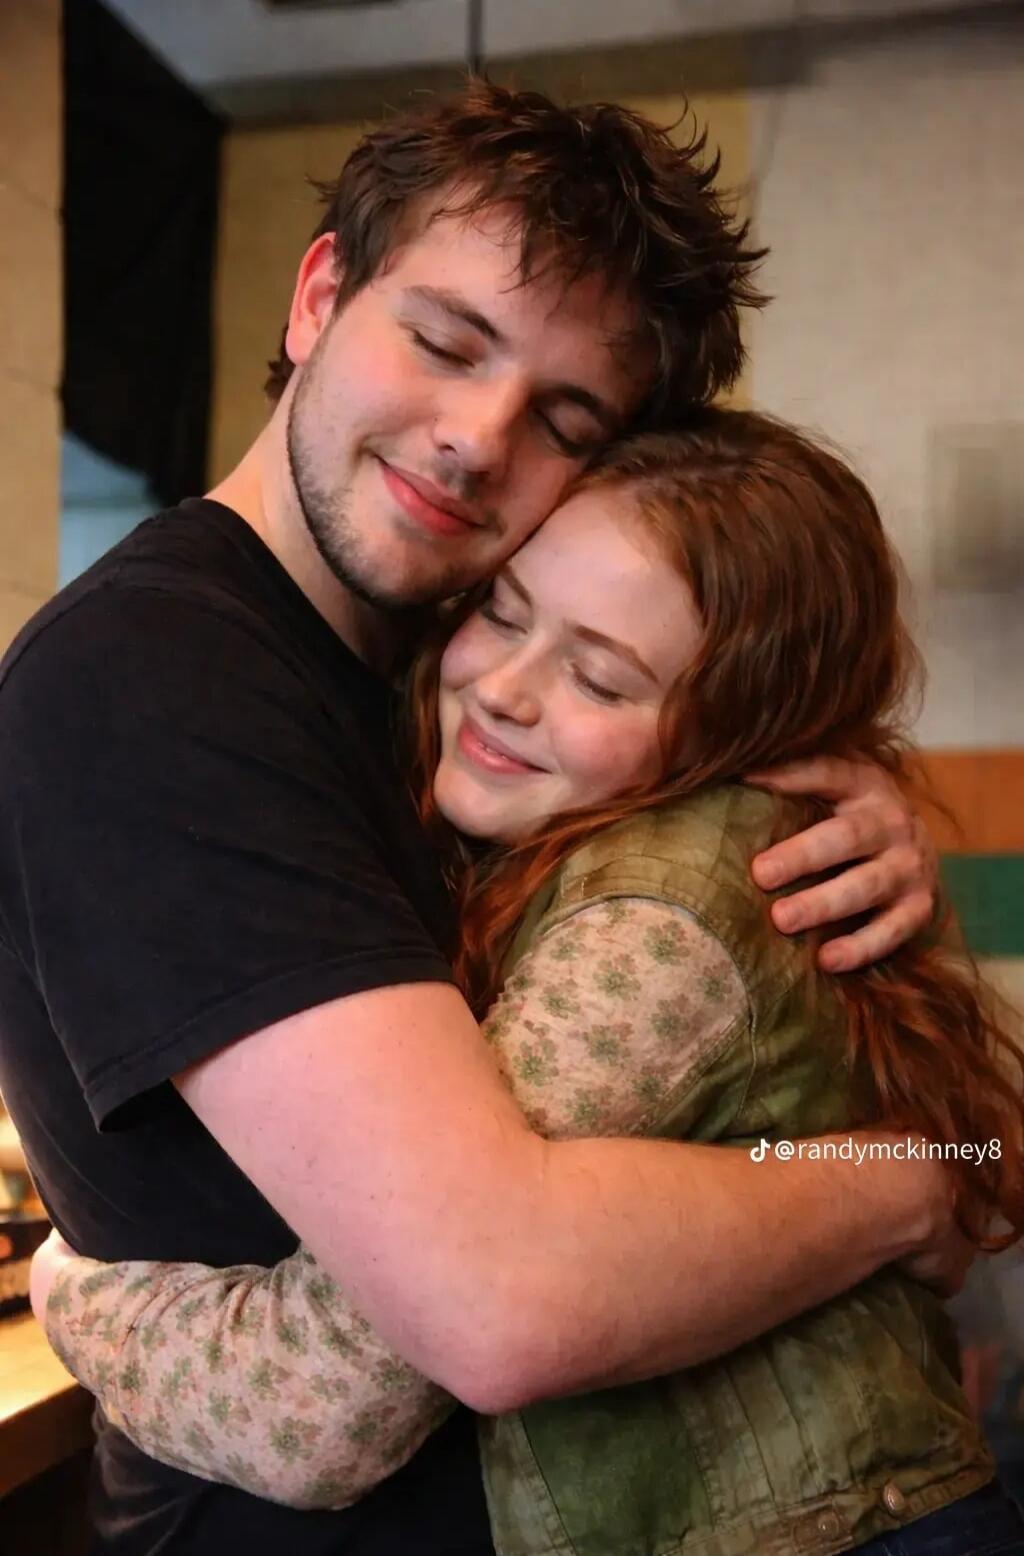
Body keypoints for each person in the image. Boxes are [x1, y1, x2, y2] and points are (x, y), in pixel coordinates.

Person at [0, 82, 954, 1556]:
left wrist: (816, 794)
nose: (473, 439)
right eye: (444, 342)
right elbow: (496, 1302)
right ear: (322, 295)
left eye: (564, 416)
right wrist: (900, 1189)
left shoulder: (429, 687)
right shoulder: (160, 678)